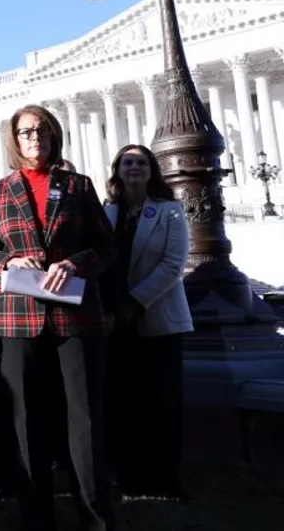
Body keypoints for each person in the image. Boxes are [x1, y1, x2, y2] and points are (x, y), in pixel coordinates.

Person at [0, 104, 116, 531]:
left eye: (42, 131)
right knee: (25, 420)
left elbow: (106, 247)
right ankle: (37, 516)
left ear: (54, 136)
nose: (35, 138)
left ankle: (95, 515)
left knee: (84, 419)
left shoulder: (77, 186)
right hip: (19, 317)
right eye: (26, 132)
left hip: (74, 315)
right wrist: (9, 262)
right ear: (14, 141)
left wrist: (75, 263)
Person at [103, 144, 191, 500]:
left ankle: (164, 476)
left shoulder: (169, 211)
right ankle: (128, 474)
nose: (134, 168)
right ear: (117, 171)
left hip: (156, 316)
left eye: (141, 162)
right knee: (122, 399)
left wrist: (135, 302)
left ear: (152, 170)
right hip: (114, 320)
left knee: (161, 400)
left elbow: (174, 264)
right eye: (128, 163)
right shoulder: (107, 213)